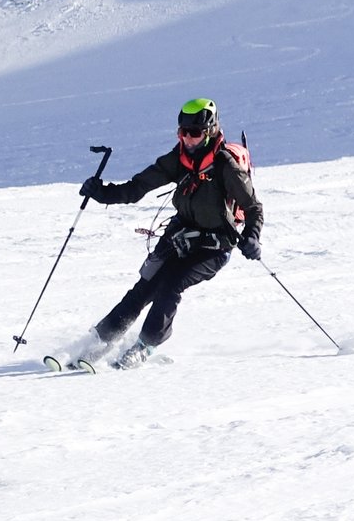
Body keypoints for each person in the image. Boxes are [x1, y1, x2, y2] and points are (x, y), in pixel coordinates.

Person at [74, 96, 264, 368]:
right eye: (182, 132)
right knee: (145, 286)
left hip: (215, 246)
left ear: (209, 132)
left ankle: (145, 346)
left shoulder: (225, 166)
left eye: (194, 133)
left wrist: (252, 237)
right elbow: (137, 187)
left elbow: (254, 207)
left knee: (171, 284)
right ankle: (99, 341)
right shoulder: (179, 158)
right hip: (180, 235)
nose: (187, 139)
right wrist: (103, 193)